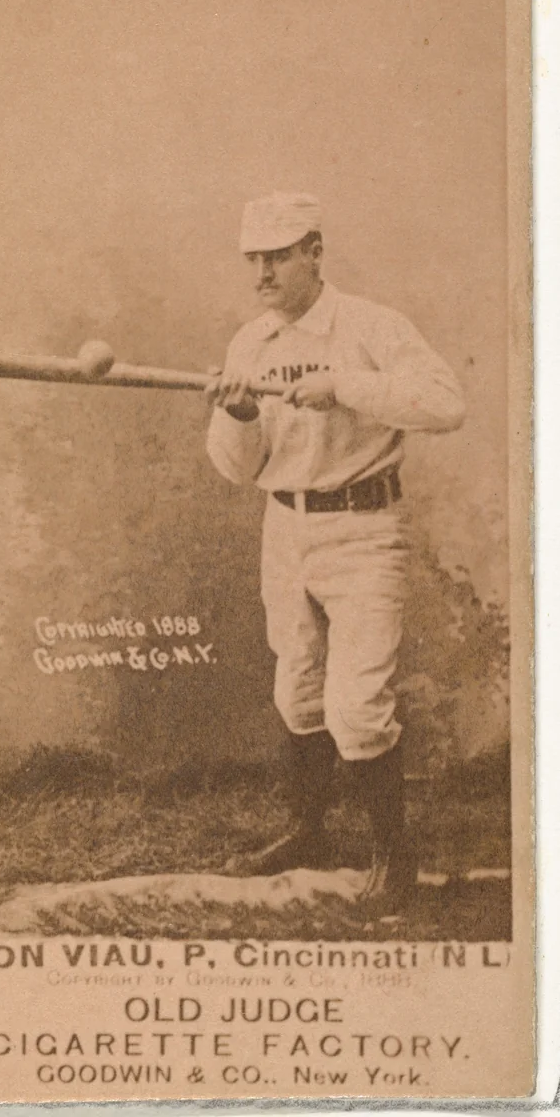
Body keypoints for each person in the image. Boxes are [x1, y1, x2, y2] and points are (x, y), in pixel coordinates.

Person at [206, 191, 465, 914]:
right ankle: (310, 832)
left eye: (278, 256)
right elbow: (236, 469)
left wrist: (345, 387)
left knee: (357, 706)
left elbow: (446, 404)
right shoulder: (250, 344)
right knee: (297, 691)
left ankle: (393, 859)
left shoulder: (370, 327)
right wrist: (238, 415)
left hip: (363, 529)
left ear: (314, 253)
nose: (262, 273)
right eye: (253, 259)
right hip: (285, 527)